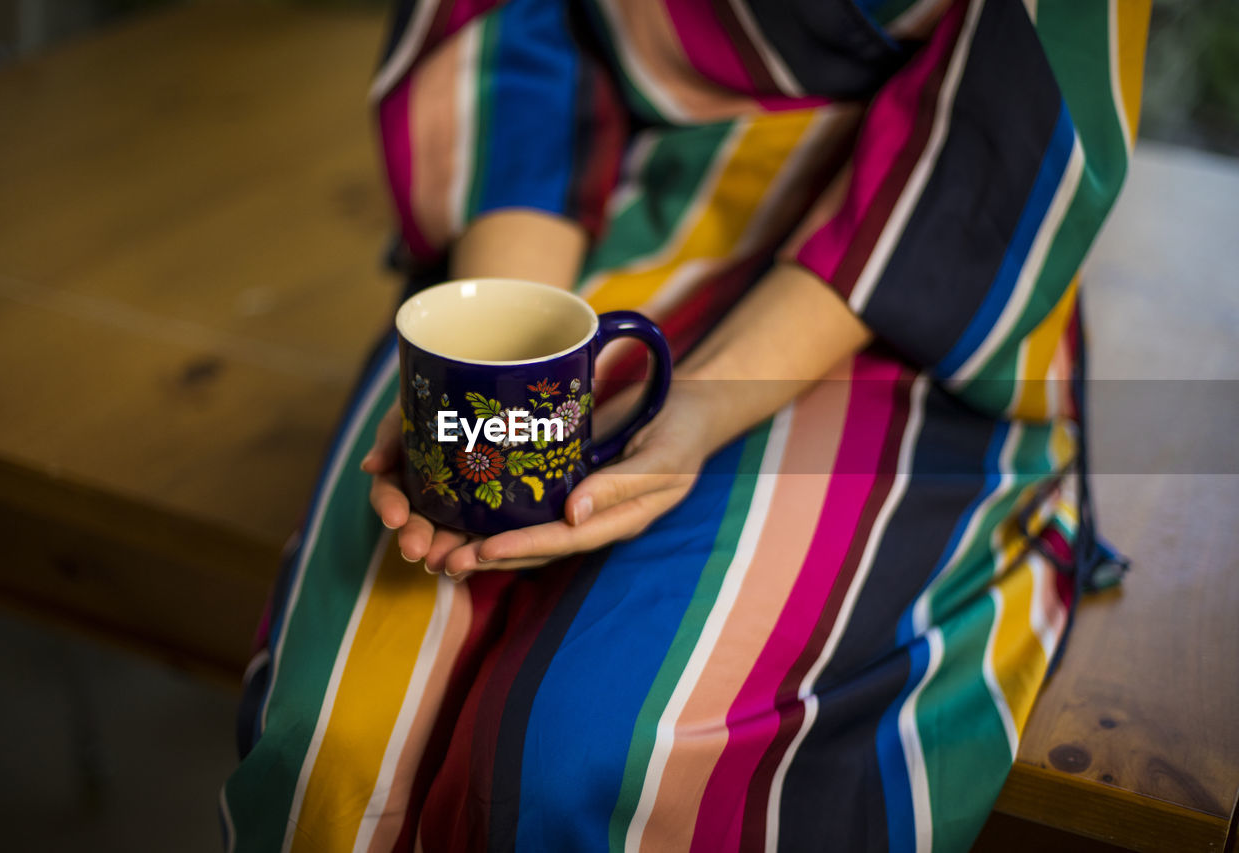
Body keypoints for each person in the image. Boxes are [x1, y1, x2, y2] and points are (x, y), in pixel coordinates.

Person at [221, 1, 1149, 850]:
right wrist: (505, 331)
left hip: (895, 287)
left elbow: (1004, 128)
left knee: (595, 751)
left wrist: (700, 404)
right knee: (338, 735)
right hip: (577, 217)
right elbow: (508, 35)